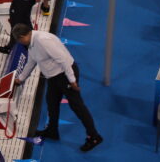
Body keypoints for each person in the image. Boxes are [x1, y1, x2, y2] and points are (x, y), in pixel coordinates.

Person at [12, 24, 103, 152]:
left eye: (19, 40)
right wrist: (20, 79)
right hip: (53, 78)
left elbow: (64, 60)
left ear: (22, 37)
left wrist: (72, 81)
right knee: (52, 103)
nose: (19, 43)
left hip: (65, 75)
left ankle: (94, 136)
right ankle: (52, 131)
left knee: (77, 107)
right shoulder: (31, 43)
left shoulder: (43, 41)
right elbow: (31, 62)